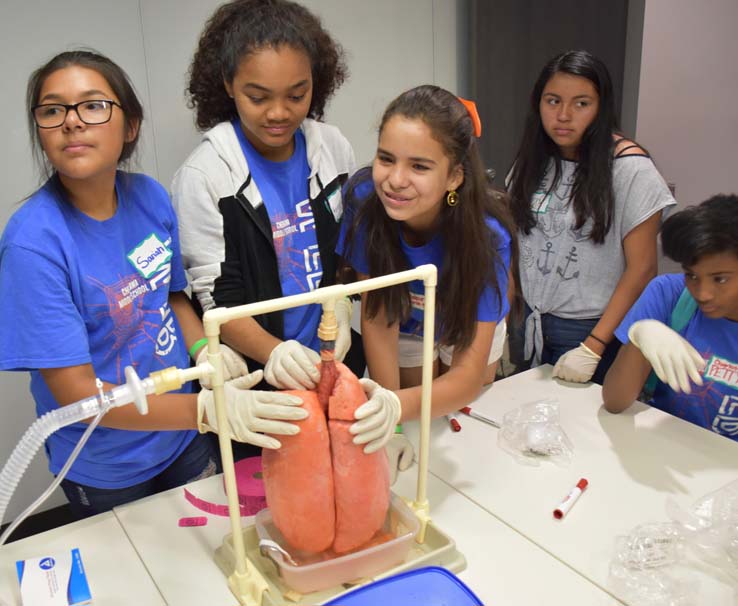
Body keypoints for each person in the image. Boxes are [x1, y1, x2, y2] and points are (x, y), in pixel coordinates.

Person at [0, 50, 307, 518]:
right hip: (106, 464)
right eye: (52, 110)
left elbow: (170, 294)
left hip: (181, 439)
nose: (72, 122)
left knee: (205, 546)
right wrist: (206, 411)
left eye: (93, 105)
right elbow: (77, 396)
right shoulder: (34, 244)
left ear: (131, 125)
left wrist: (205, 347)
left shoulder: (149, 197)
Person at [172, 0, 360, 397]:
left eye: (296, 95)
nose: (279, 113)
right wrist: (274, 354)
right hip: (258, 377)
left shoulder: (331, 148)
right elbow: (216, 299)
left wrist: (342, 303)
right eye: (258, 97)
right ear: (228, 84)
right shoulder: (205, 176)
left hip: (331, 358)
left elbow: (345, 248)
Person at [338, 85, 519, 455]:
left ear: (455, 176)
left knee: (461, 423)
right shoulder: (364, 200)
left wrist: (394, 407)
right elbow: (378, 318)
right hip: (403, 317)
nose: (396, 180)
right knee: (415, 423)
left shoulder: (488, 236)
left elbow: (467, 378)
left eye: (419, 166)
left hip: (467, 324)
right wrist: (395, 420)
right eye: (386, 158)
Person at [506, 50, 676, 385]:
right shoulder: (533, 160)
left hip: (587, 330)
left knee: (580, 432)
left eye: (581, 103)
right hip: (531, 321)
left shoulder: (631, 169)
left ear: (601, 108)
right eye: (553, 101)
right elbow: (515, 245)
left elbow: (642, 269)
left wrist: (594, 346)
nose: (564, 115)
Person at [603, 194, 738, 441]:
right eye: (692, 275)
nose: (703, 293)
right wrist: (640, 335)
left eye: (720, 279)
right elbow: (615, 401)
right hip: (665, 446)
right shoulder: (670, 294)